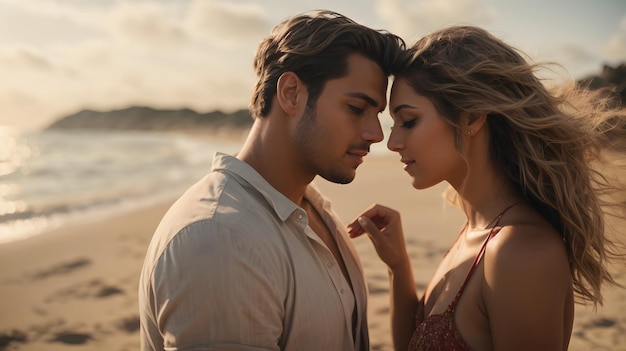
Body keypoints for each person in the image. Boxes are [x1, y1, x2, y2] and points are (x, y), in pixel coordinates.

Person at [138, 10, 406, 351]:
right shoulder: (221, 239)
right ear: (292, 93)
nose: (376, 134)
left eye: (377, 114)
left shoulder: (310, 208)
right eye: (356, 108)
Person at [347, 26, 626, 350]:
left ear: (472, 117)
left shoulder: (521, 252)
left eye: (408, 121)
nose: (393, 142)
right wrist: (398, 266)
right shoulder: (476, 231)